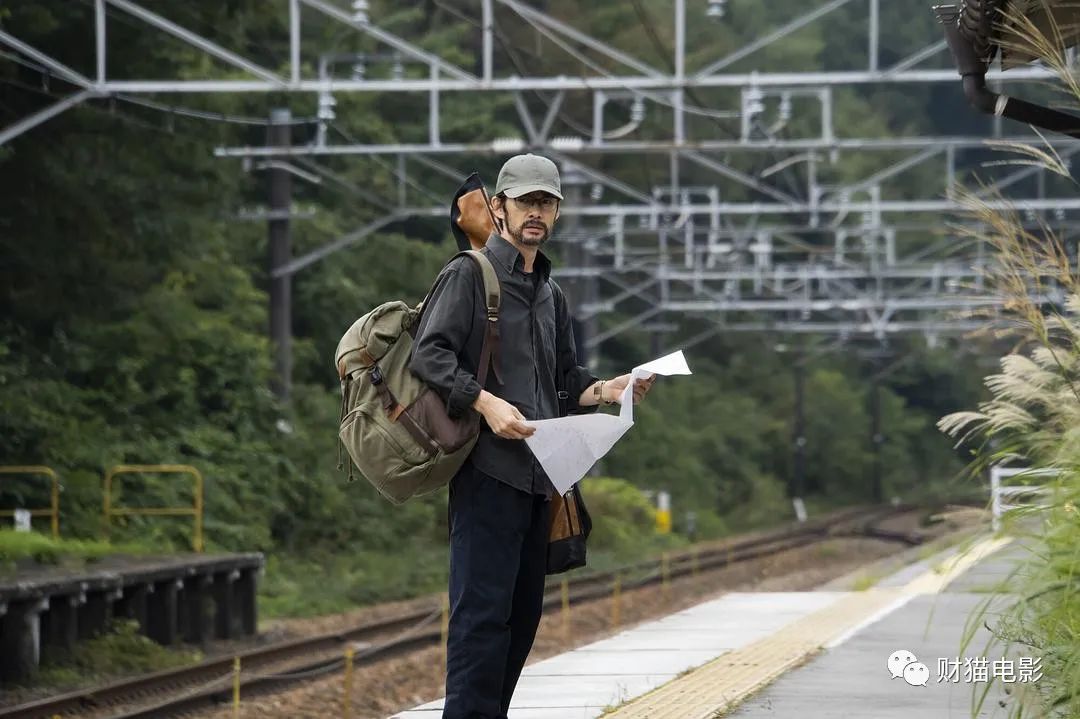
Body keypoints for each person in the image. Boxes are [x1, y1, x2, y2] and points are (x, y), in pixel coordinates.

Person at [409, 153, 655, 719]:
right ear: (499, 208)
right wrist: (486, 402)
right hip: (487, 474)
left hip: (541, 481)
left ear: (557, 212)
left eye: (546, 203)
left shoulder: (551, 294)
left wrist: (607, 389)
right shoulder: (469, 275)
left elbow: (563, 381)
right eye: (525, 203)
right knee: (480, 622)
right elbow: (429, 354)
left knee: (521, 622)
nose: (536, 213)